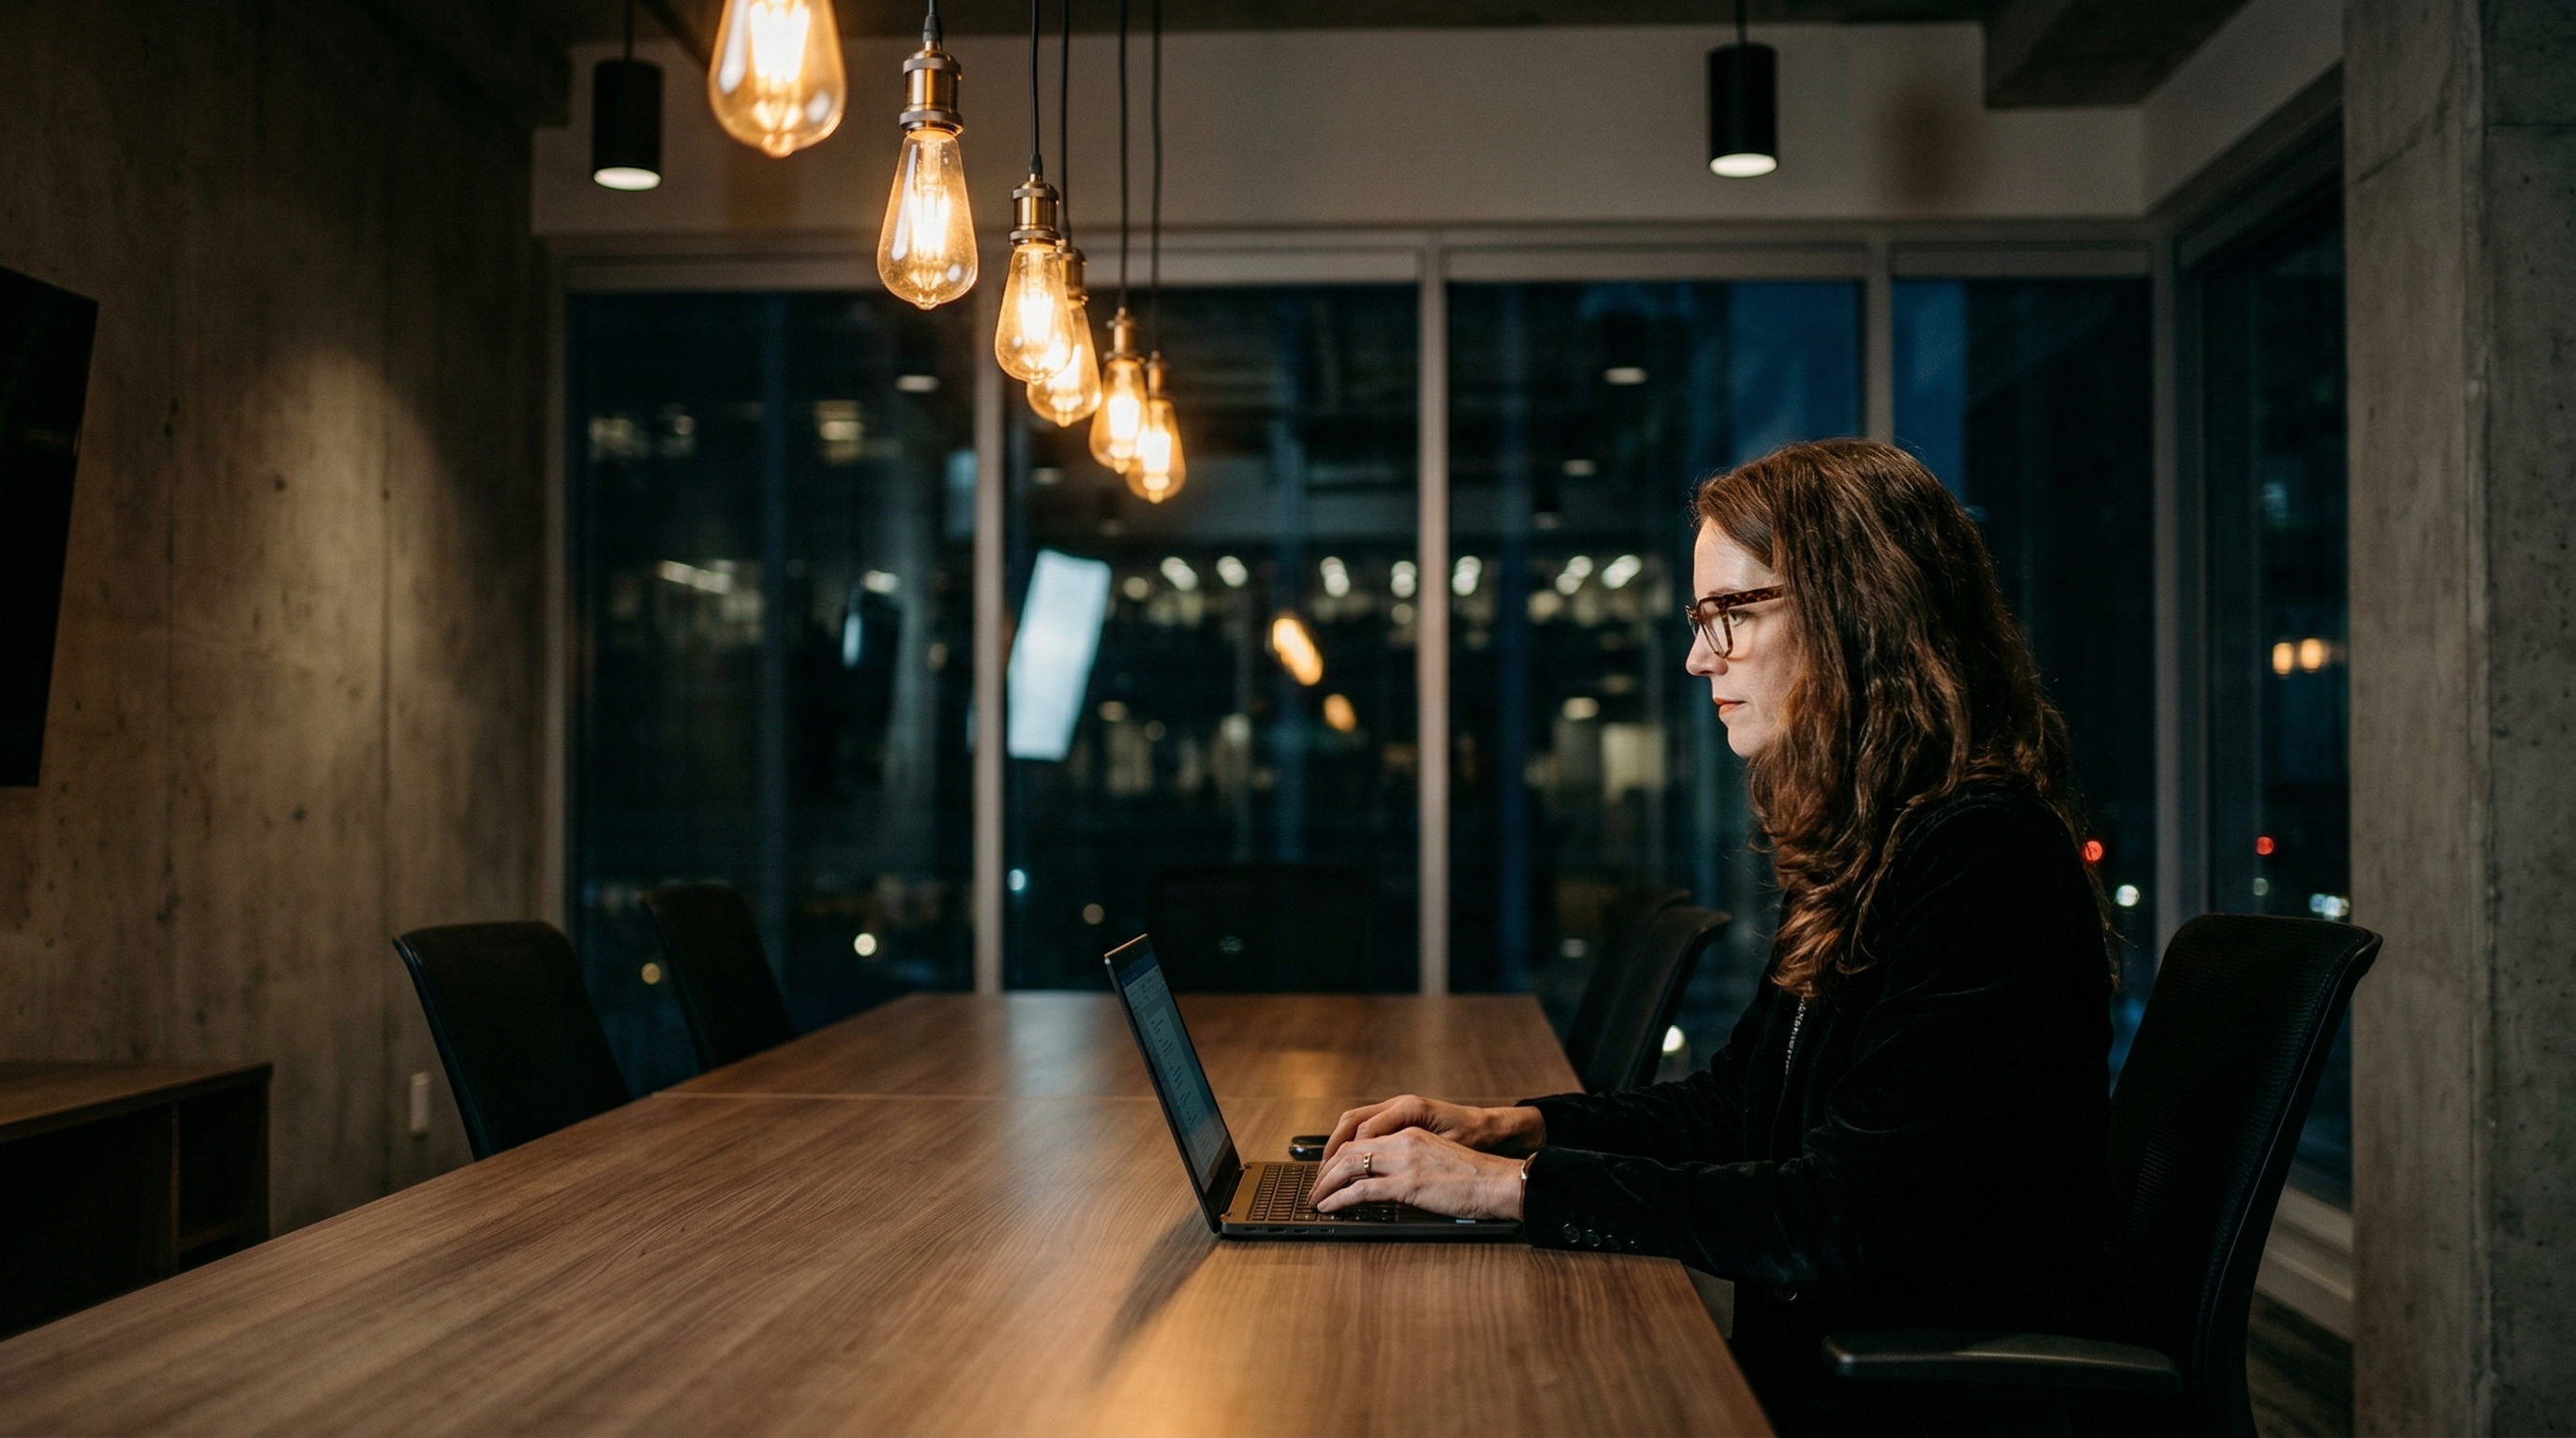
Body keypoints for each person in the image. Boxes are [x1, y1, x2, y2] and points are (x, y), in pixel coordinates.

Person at [1310, 438, 2124, 1433]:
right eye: (1702, 621)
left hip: (1911, 1395)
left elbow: (1835, 1215)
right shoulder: (1876, 839)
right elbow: (1742, 1105)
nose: (1700, 656)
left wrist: (1514, 1190)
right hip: (1818, 1358)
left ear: (1855, 612)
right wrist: (1505, 1128)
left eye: (1731, 614)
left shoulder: (1981, 857)